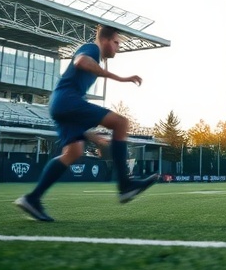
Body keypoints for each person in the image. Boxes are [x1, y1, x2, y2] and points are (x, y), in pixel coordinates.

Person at [15, 25, 158, 222]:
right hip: (68, 100)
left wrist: (89, 134)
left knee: (73, 152)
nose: (117, 48)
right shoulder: (92, 49)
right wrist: (121, 78)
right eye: (116, 43)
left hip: (60, 104)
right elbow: (81, 62)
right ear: (106, 40)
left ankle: (32, 198)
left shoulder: (94, 53)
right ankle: (125, 185)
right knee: (121, 123)